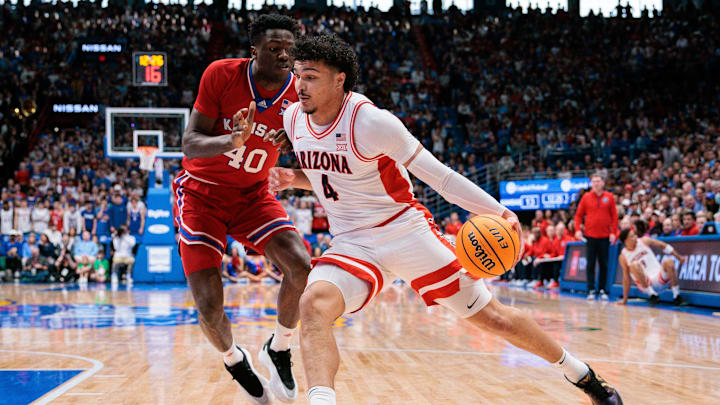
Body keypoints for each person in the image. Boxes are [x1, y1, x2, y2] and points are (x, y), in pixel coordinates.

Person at [268, 34, 621, 405]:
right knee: (313, 305)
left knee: (494, 319)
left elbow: (439, 177)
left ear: (339, 80)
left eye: (310, 77)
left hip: (404, 231)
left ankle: (581, 374)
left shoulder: (371, 122)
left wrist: (498, 211)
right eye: (297, 75)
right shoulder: (294, 119)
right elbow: (335, 175)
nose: (299, 86)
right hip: (352, 243)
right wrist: (296, 179)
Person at [176, 14, 310, 403]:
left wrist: (294, 146)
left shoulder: (300, 93)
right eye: (273, 48)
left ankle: (280, 347)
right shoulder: (221, 74)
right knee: (208, 305)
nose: (283, 55)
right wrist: (230, 141)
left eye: (289, 48)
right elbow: (190, 142)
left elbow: (309, 147)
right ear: (255, 51)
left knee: (301, 266)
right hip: (202, 194)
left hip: (253, 194)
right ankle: (234, 359)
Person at [574, 173, 618, 301]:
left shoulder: (609, 197)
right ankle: (591, 290)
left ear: (603, 183)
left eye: (598, 181)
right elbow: (578, 215)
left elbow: (614, 217)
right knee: (590, 264)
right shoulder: (586, 197)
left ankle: (603, 290)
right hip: (590, 236)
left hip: (605, 236)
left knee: (604, 264)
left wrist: (613, 232)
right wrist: (577, 229)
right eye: (594, 182)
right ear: (591, 184)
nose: (596, 184)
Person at [617, 227, 686, 306]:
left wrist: (678, 257)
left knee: (669, 261)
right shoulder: (623, 256)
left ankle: (677, 296)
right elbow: (626, 278)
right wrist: (625, 300)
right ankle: (652, 295)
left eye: (635, 235)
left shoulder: (644, 241)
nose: (635, 237)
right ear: (626, 241)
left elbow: (663, 245)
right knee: (634, 265)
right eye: (632, 236)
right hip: (646, 283)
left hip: (659, 278)